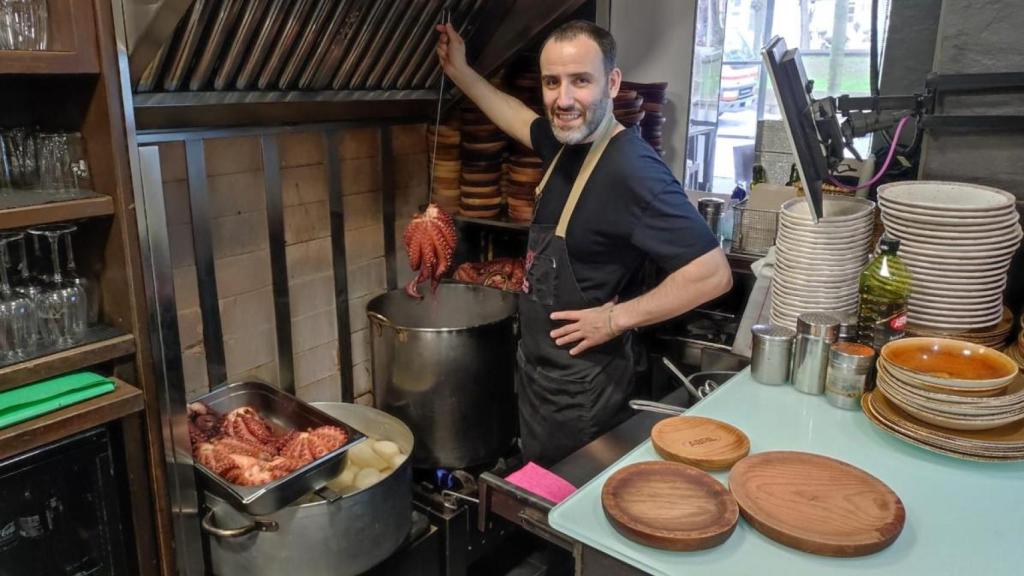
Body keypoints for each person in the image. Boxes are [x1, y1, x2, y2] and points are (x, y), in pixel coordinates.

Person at [436, 20, 733, 466]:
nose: (564, 98)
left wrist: (615, 319)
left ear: (612, 83)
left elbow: (712, 274)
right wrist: (460, 72)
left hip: (582, 391)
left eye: (580, 81)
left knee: (569, 504)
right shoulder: (564, 145)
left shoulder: (633, 171)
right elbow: (516, 116)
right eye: (551, 82)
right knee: (544, 493)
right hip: (542, 375)